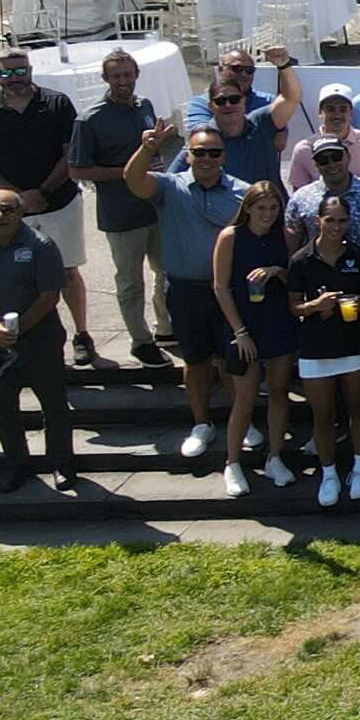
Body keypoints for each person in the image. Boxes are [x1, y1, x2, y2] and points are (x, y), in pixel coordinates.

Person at [120, 115, 247, 461]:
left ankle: (242, 421)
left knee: (232, 360)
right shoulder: (169, 186)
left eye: (213, 152)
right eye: (199, 152)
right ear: (188, 155)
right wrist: (148, 149)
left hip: (228, 291)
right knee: (195, 360)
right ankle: (202, 423)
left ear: (223, 156)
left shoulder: (242, 191)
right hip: (185, 290)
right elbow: (132, 180)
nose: (206, 158)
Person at [0, 49, 97, 369]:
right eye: (8, 73)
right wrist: (16, 197)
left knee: (67, 273)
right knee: (17, 278)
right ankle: (25, 338)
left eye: (20, 71)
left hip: (59, 203)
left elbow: (71, 153)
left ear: (30, 69)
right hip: (12, 213)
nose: (15, 79)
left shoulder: (57, 103)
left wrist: (43, 191)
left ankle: (82, 335)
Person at [0, 185, 78, 493]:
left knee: (54, 406)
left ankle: (61, 463)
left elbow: (49, 296)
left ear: (20, 212)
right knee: (3, 409)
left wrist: (18, 328)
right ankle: (17, 465)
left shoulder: (41, 245)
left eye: (7, 209)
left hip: (39, 342)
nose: (1, 216)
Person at [72, 50, 172, 366]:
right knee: (130, 282)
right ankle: (141, 341)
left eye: (127, 75)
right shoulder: (90, 120)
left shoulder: (146, 107)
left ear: (136, 75)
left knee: (168, 272)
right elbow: (78, 170)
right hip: (120, 214)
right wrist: (129, 171)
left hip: (155, 207)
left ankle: (166, 328)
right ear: (105, 79)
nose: (123, 82)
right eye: (116, 76)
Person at [286, 192, 360, 507]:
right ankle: (328, 474)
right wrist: (316, 306)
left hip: (353, 345)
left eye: (342, 220)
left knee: (358, 409)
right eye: (330, 220)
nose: (337, 226)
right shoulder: (301, 260)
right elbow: (294, 306)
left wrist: (353, 303)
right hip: (315, 349)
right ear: (318, 221)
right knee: (323, 415)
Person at [211, 180, 299, 498]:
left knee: (278, 391)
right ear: (247, 208)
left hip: (278, 321)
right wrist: (239, 331)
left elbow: (297, 279)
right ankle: (232, 462)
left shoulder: (285, 237)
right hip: (244, 325)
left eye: (274, 208)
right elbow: (220, 286)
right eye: (262, 208)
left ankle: (275, 456)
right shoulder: (230, 237)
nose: (268, 214)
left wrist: (277, 270)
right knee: (244, 398)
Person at [286, 133, 360, 271]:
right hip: (317, 280)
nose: (331, 164)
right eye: (323, 160)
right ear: (315, 164)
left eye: (336, 157)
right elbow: (293, 240)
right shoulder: (301, 198)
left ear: (348, 157)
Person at [284, 82, 360, 193]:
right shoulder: (304, 149)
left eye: (343, 109)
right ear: (320, 112)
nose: (337, 115)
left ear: (351, 112)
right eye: (331, 109)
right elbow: (299, 196)